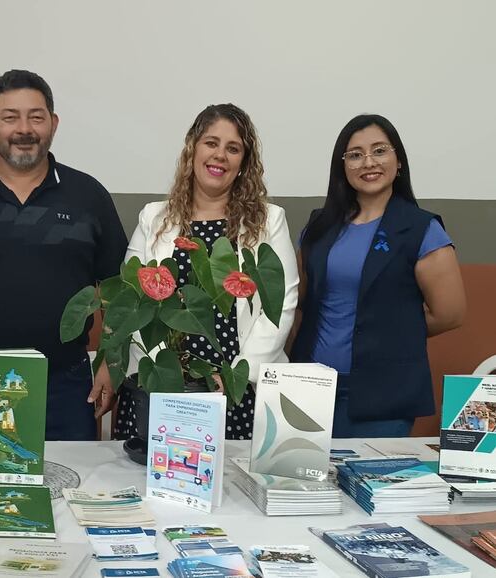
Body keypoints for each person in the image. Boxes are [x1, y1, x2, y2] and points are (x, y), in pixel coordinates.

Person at [0, 70, 127, 441]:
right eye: (10, 117)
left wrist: (110, 363)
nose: (24, 129)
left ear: (53, 123)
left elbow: (118, 289)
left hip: (66, 386)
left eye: (36, 117)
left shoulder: (88, 195)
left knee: (68, 492)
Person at [114, 104, 299, 440]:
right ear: (193, 149)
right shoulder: (153, 218)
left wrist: (235, 376)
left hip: (238, 388)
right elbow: (134, 301)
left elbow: (281, 303)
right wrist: (170, 381)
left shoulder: (269, 221)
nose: (220, 156)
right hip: (164, 388)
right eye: (211, 143)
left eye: (233, 148)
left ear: (244, 162)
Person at [291, 114, 466, 438]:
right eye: (355, 154)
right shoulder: (318, 226)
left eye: (379, 151)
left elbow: (450, 314)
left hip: (383, 395)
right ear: (342, 165)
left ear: (398, 161)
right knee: (301, 483)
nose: (368, 162)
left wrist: (385, 330)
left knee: (369, 485)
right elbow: (300, 303)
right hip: (308, 388)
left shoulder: (422, 229)